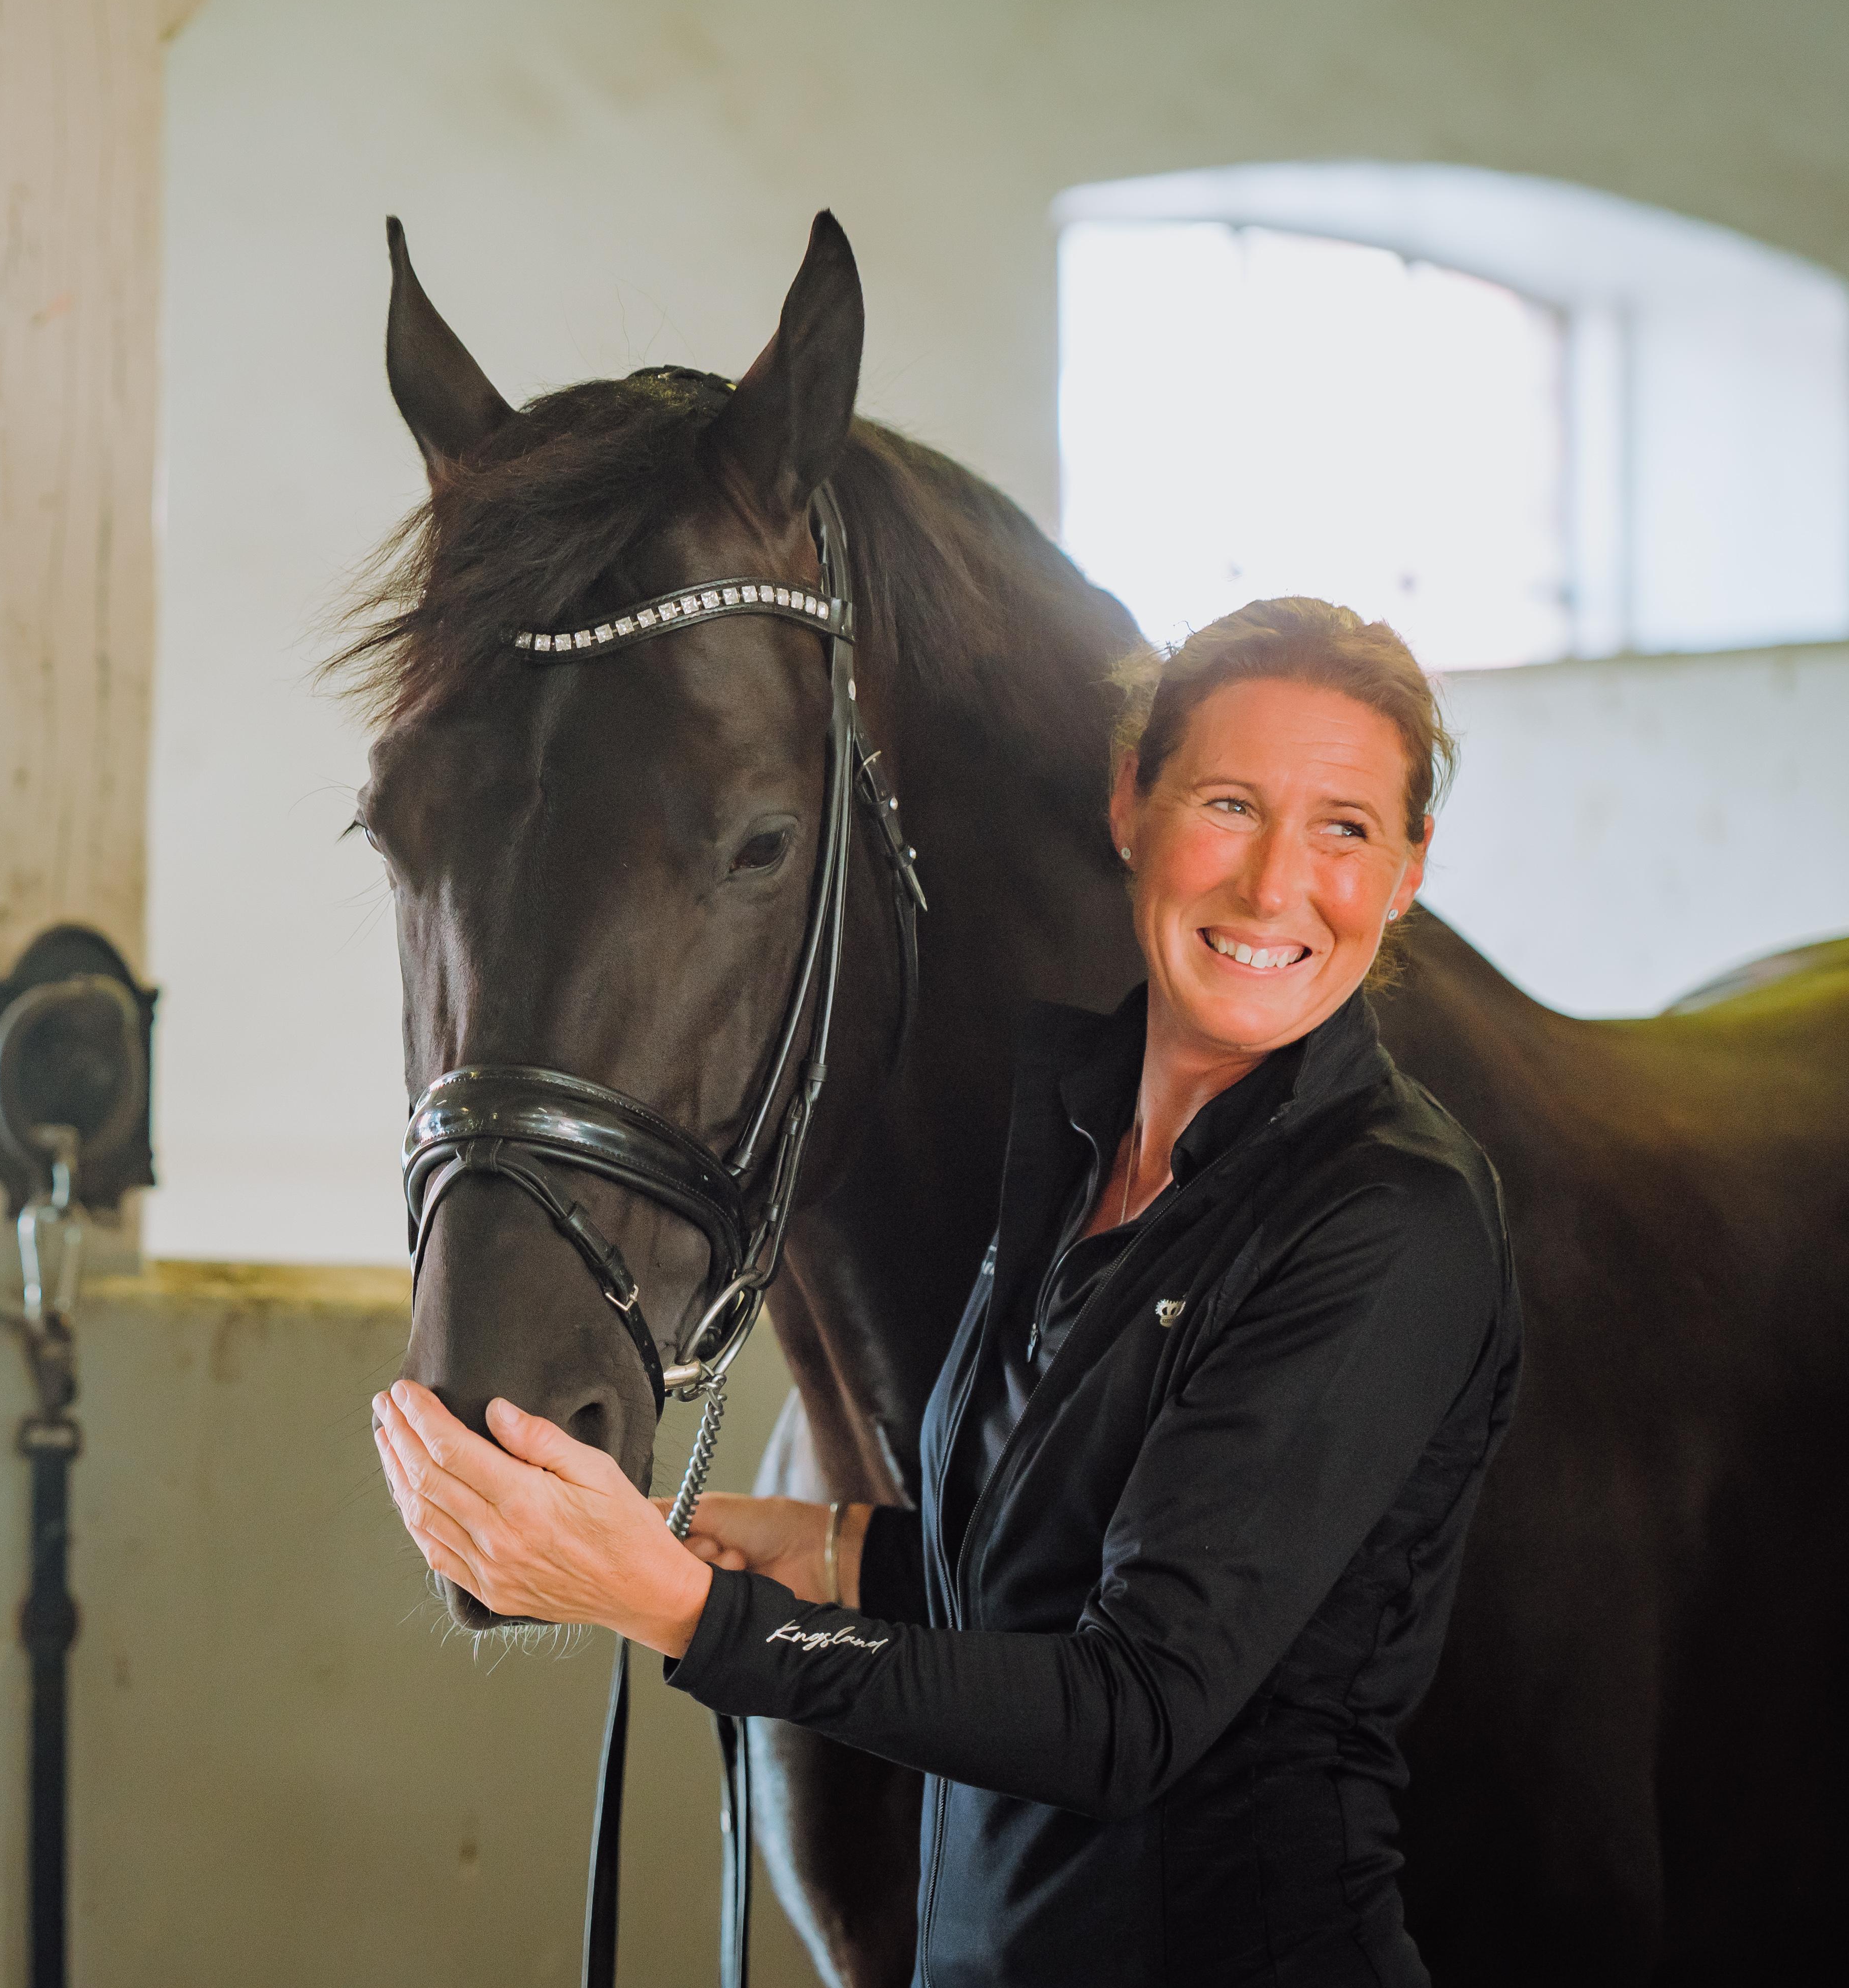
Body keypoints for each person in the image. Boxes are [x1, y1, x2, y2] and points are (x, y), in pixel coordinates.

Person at [371, 598, 1522, 1987]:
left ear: (1405, 872)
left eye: (1344, 827)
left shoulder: (1388, 1218)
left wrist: (683, 1607)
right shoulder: (1079, 1144)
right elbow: (1064, 1594)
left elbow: (1131, 1706)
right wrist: (837, 1556)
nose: (1278, 883)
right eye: (1230, 803)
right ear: (1131, 807)